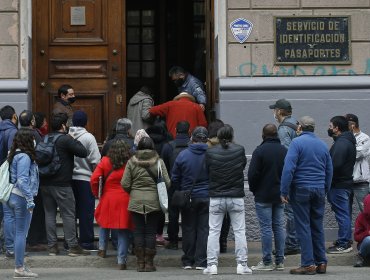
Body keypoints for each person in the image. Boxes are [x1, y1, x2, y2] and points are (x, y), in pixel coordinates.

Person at [280, 116, 333, 275]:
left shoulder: (296, 143)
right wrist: (325, 189)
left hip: (301, 189)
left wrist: (284, 191)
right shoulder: (322, 145)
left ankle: (308, 264)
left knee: (303, 227)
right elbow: (329, 170)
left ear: (299, 128)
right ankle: (321, 262)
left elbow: (288, 168)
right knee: (317, 226)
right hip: (318, 189)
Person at [203, 125, 251, 275]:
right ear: (231, 135)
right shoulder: (239, 149)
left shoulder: (210, 152)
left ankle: (212, 265)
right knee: (239, 231)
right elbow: (242, 166)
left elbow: (207, 170)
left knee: (213, 231)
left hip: (216, 196)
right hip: (236, 196)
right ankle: (242, 264)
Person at [39, 112, 89, 256]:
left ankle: (52, 247)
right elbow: (83, 152)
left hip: (45, 182)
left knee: (49, 214)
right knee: (68, 214)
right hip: (62, 184)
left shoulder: (45, 137)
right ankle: (73, 246)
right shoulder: (65, 139)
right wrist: (74, 139)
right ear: (63, 125)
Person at [121, 137, 170, 272]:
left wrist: (133, 191)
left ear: (138, 147)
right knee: (150, 231)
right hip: (153, 200)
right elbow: (167, 182)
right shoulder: (159, 162)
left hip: (136, 200)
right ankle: (149, 263)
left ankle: (140, 263)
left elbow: (124, 183)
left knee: (138, 231)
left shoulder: (131, 162)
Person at [248, 124, 287, 271]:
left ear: (263, 135)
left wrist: (254, 189)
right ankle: (280, 261)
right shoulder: (284, 150)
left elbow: (252, 174)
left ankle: (267, 261)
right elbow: (288, 172)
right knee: (279, 227)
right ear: (276, 134)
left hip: (263, 195)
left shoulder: (259, 151)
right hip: (279, 195)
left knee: (265, 229)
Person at [91, 140, 133, 270]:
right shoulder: (130, 162)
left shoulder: (104, 161)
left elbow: (94, 179)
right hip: (125, 197)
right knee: (123, 229)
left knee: (105, 223)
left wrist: (97, 193)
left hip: (108, 197)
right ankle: (121, 260)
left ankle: (102, 249)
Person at [171, 126, 209, 270]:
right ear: (207, 139)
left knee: (188, 228)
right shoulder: (211, 154)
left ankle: (188, 260)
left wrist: (182, 188)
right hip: (206, 195)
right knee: (204, 229)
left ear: (192, 138)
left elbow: (174, 178)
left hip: (188, 196)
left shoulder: (183, 155)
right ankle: (201, 261)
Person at [5, 128, 39, 278]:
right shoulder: (25, 157)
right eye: (32, 138)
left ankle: (21, 266)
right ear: (28, 140)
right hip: (21, 198)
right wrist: (30, 199)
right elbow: (22, 180)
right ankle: (19, 268)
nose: (34, 140)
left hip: (11, 196)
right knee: (21, 233)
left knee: (18, 232)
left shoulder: (14, 154)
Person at [269, 98, 300, 256]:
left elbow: (287, 154)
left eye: (275, 110)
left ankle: (292, 243)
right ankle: (298, 241)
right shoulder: (296, 123)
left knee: (290, 210)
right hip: (301, 173)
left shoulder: (283, 129)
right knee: (298, 210)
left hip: (292, 175)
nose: (274, 113)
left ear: (280, 111)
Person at [69, 110, 101, 250]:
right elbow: (96, 161)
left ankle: (70, 241)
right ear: (85, 122)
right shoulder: (89, 138)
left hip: (68, 179)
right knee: (86, 211)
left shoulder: (66, 136)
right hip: (84, 178)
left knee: (70, 212)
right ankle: (86, 242)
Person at [326, 115, 356, 254]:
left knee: (342, 215)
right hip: (344, 184)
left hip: (339, 185)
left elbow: (334, 165)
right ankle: (344, 240)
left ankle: (344, 243)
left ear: (337, 128)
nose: (329, 128)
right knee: (344, 214)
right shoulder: (345, 141)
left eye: (331, 126)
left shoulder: (342, 143)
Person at [18, 111, 47, 252]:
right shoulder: (34, 134)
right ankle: (34, 241)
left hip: (18, 182)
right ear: (32, 121)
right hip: (32, 179)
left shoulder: (17, 133)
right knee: (35, 211)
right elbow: (42, 154)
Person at [161, 121, 191, 250]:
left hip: (173, 185)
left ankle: (173, 240)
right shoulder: (192, 146)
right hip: (189, 184)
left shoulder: (168, 146)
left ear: (175, 130)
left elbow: (164, 167)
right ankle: (187, 240)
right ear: (189, 131)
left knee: (173, 214)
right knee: (188, 214)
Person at [207, 119, 230, 254]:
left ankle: (213, 247)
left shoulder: (207, 147)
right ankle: (223, 242)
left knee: (213, 219)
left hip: (213, 186)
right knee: (226, 217)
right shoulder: (232, 146)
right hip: (228, 185)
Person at [0, 105, 18, 257]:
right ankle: (10, 247)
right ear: (14, 116)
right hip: (6, 178)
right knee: (8, 214)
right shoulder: (12, 132)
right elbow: (11, 157)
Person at [345, 114, 370, 213]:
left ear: (352, 125)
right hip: (346, 180)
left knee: (366, 210)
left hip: (361, 181)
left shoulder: (365, 138)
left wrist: (345, 150)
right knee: (345, 211)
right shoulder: (344, 137)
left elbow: (359, 153)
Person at [353, 194, 370, 267]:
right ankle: (360, 256)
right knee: (369, 239)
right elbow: (356, 237)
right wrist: (368, 233)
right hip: (365, 245)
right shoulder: (361, 217)